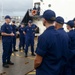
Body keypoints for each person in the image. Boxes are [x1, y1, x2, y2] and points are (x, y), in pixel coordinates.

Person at [34, 10, 64, 75]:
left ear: (44, 20)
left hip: (45, 71)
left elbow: (38, 61)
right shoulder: (59, 34)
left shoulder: (44, 37)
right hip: (56, 70)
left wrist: (35, 67)